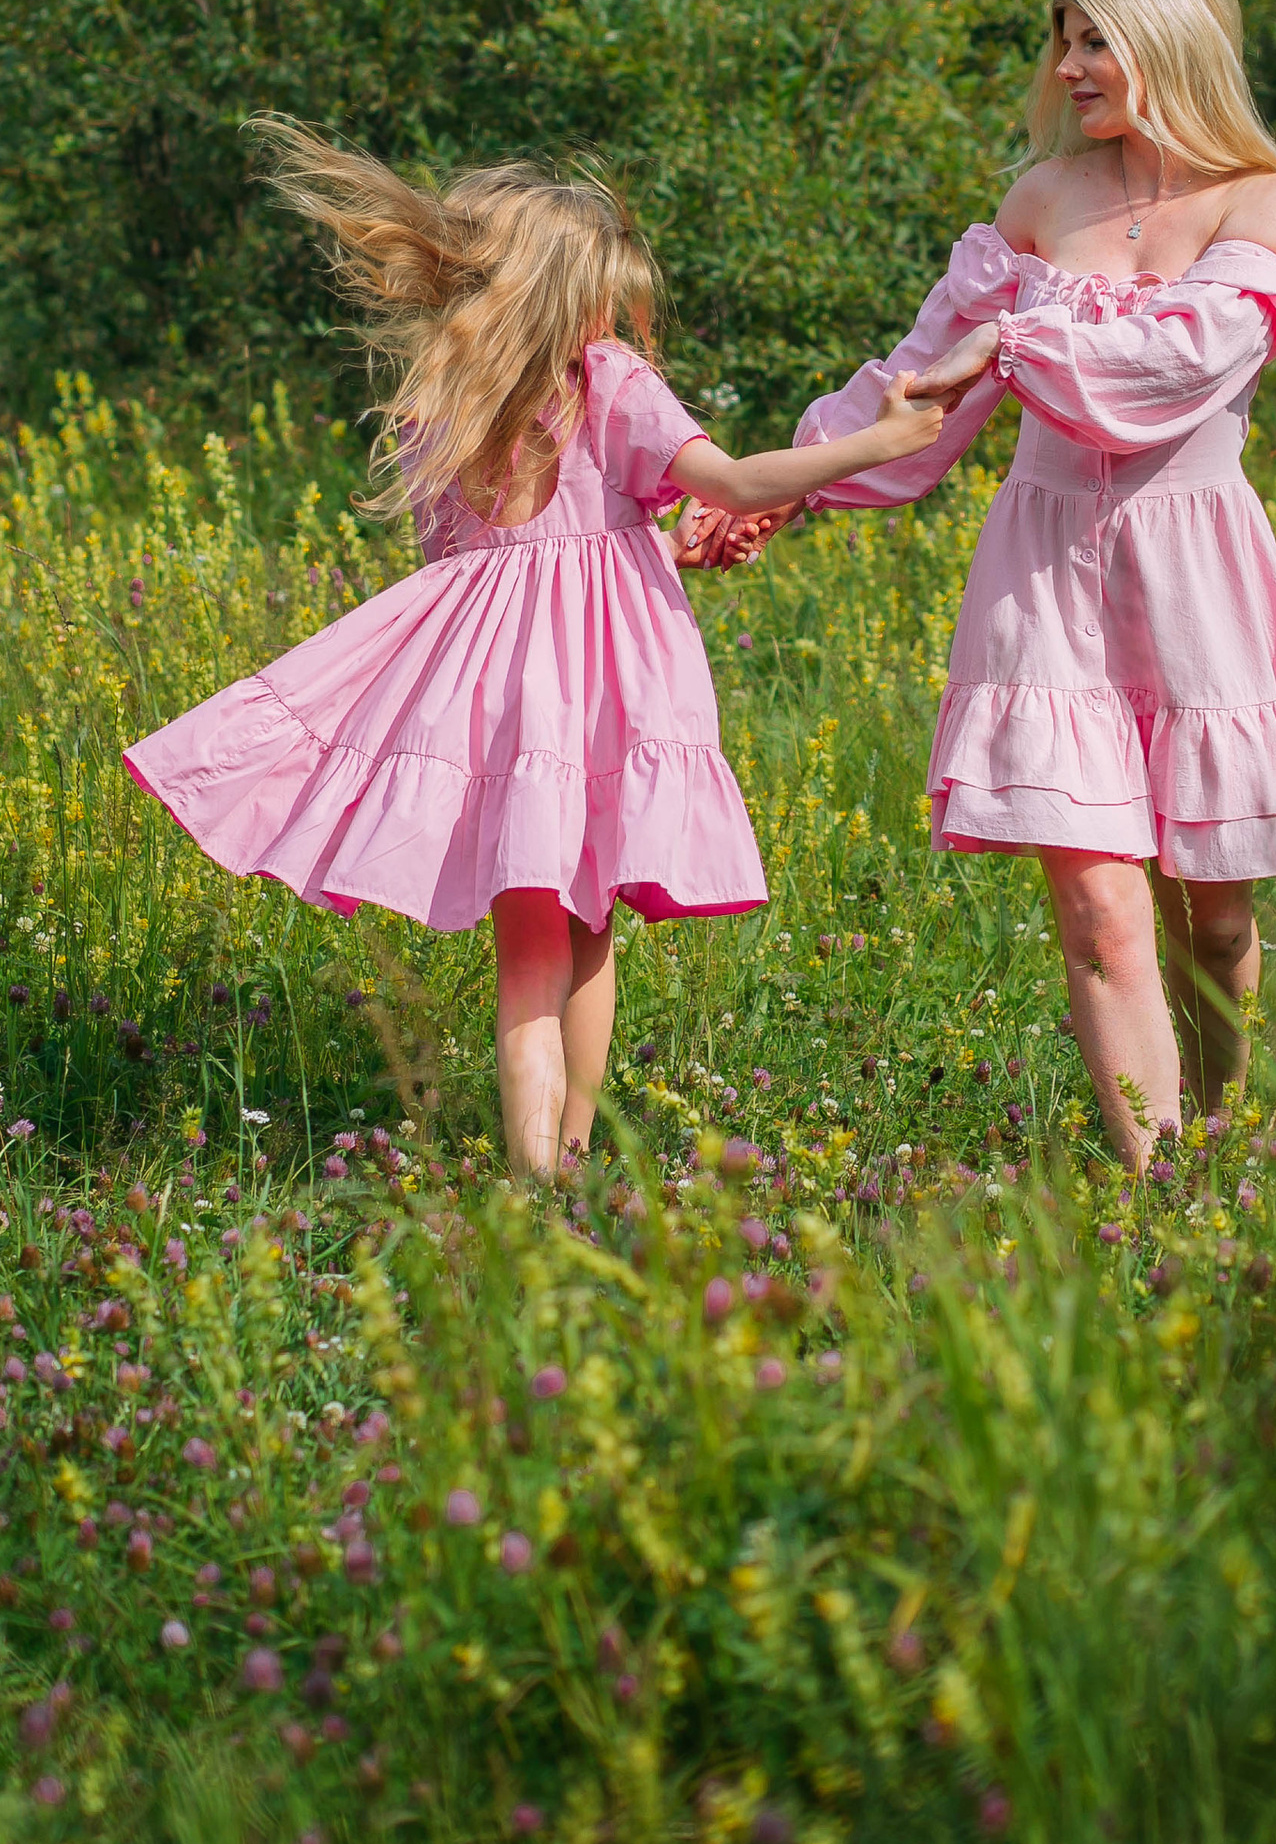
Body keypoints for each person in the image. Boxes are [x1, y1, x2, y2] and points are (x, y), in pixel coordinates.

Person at [124, 126, 946, 1177]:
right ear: (574, 300)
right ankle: (559, 1160)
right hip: (607, 692)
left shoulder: (449, 396)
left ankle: (542, 1165)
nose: (617, 321)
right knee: (589, 921)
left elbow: (495, 559)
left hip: (496, 702)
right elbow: (730, 485)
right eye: (606, 298)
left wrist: (638, 539)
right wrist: (878, 443)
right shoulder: (607, 378)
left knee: (534, 943)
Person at [735, 0, 1276, 1170]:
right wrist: (785, 487)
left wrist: (1014, 345)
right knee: (1096, 909)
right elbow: (922, 373)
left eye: (1095, 39)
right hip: (1043, 575)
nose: (1069, 66)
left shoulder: (1264, 201)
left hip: (1194, 576)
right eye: (1062, 40)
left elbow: (1173, 371)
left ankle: (1224, 1130)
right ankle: (1159, 1193)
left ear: (1170, 45)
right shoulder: (1040, 200)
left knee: (1218, 917)